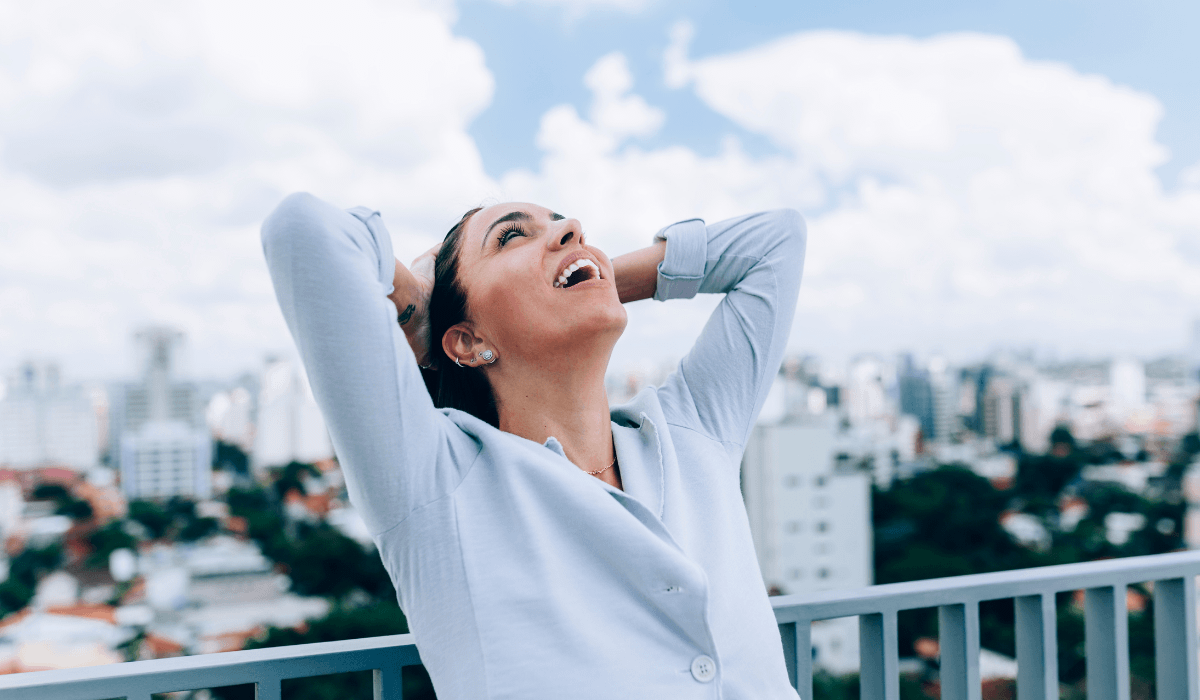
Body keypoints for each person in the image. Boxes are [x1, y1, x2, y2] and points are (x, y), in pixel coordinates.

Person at [261, 193, 807, 699]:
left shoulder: (691, 431)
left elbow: (776, 240)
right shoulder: (436, 484)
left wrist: (596, 275)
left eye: (564, 223)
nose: (571, 228)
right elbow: (302, 231)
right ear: (468, 341)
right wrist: (421, 306)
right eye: (510, 237)